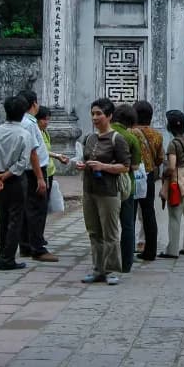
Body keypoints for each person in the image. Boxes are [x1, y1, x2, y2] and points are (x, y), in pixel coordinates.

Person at [76, 98, 129, 285]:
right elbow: (86, 159)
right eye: (93, 114)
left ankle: (111, 269)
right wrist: (83, 165)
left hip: (108, 191)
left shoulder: (117, 139)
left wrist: (103, 166)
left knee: (110, 233)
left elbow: (125, 167)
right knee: (94, 231)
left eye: (99, 114)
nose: (95, 117)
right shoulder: (90, 138)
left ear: (109, 116)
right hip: (89, 190)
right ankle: (98, 269)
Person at [0, 95, 34, 270]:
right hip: (16, 180)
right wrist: (6, 175)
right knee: (15, 218)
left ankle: (2, 252)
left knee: (3, 217)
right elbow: (23, 162)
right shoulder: (24, 134)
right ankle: (8, 257)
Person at [17, 91, 54, 262]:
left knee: (27, 209)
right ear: (34, 104)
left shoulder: (21, 122)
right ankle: (37, 248)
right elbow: (33, 153)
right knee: (38, 210)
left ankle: (25, 244)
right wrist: (40, 177)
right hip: (34, 170)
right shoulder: (30, 124)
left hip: (27, 170)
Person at [112, 104, 145, 273]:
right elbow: (135, 165)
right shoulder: (131, 138)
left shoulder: (104, 133)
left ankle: (106, 261)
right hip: (126, 186)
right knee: (127, 225)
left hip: (106, 187)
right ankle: (126, 262)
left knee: (107, 226)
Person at [159, 110, 184, 258]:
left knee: (175, 216)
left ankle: (172, 250)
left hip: (177, 179)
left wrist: (165, 174)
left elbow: (171, 166)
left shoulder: (172, 144)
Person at [134, 100, 164, 263]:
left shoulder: (130, 133)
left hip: (132, 174)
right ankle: (150, 249)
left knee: (130, 211)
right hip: (149, 175)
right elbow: (160, 158)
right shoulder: (157, 135)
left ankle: (128, 245)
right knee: (148, 211)